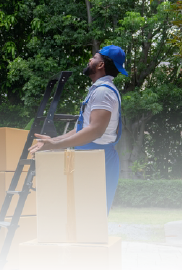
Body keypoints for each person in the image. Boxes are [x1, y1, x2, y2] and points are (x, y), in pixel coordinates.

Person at [28, 45, 128, 212]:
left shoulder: (103, 92)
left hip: (98, 159)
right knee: (82, 216)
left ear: (101, 65)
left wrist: (56, 145)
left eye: (94, 57)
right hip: (91, 156)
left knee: (92, 217)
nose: (90, 60)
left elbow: (95, 131)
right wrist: (54, 140)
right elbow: (82, 129)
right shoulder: (98, 90)